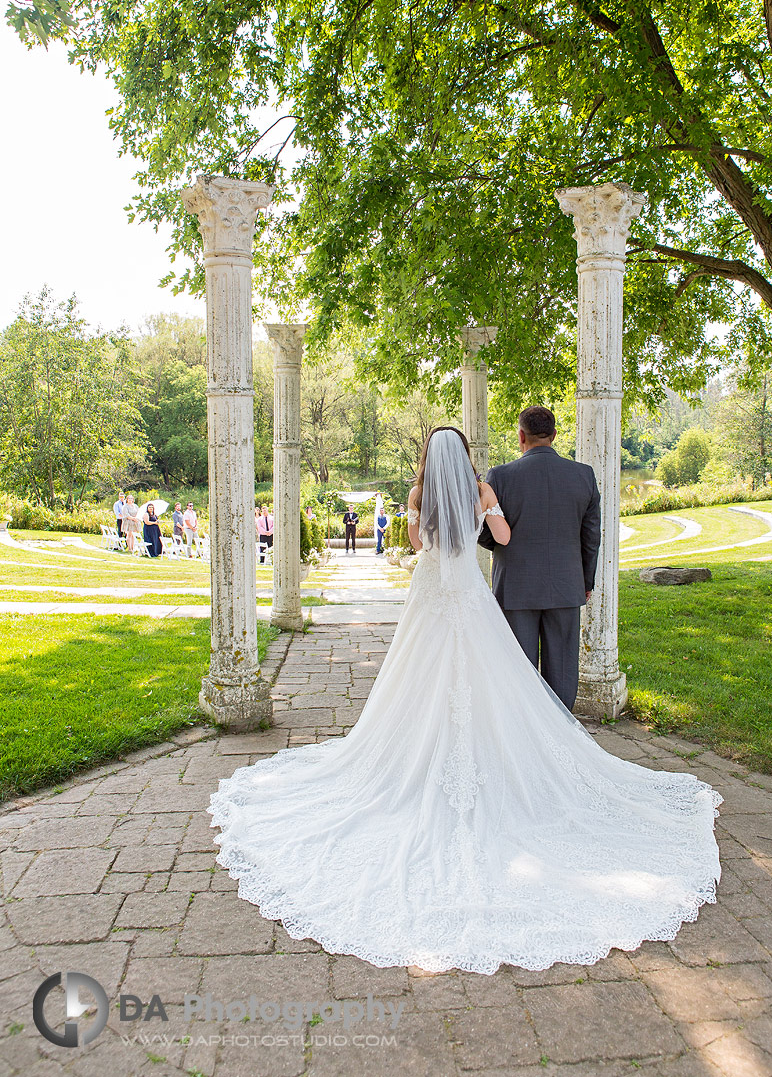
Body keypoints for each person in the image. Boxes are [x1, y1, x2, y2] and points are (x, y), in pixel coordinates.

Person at [209, 426, 721, 976]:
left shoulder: (418, 495)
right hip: (471, 600)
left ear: (428, 456)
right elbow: (501, 540)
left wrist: (421, 514)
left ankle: (417, 760)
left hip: (432, 600)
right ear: (467, 459)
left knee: (416, 686)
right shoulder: (482, 491)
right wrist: (491, 508)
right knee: (496, 683)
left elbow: (418, 547)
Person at [478, 405, 600, 712]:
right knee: (562, 668)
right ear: (554, 435)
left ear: (521, 436)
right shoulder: (583, 475)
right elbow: (591, 536)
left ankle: (525, 735)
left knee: (519, 668)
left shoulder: (500, 476)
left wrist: (510, 549)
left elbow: (482, 531)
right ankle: (561, 732)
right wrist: (585, 581)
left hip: (516, 586)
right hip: (566, 585)